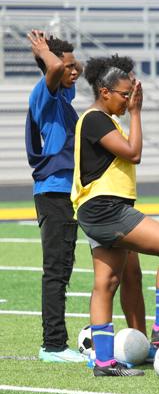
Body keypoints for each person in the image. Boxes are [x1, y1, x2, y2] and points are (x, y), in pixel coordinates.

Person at [72, 57, 159, 376]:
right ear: (104, 91)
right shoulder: (96, 118)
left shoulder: (104, 119)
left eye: (131, 96)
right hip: (105, 207)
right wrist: (137, 113)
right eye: (124, 95)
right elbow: (134, 153)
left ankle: (105, 362)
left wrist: (130, 113)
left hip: (99, 209)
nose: (129, 100)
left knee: (108, 282)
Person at [25, 30, 87, 363]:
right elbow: (51, 71)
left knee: (64, 266)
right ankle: (53, 345)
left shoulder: (63, 97)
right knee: (56, 270)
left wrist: (59, 57)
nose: (75, 71)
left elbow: (60, 72)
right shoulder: (43, 94)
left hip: (69, 194)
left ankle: (56, 342)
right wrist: (44, 53)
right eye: (70, 66)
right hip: (53, 193)